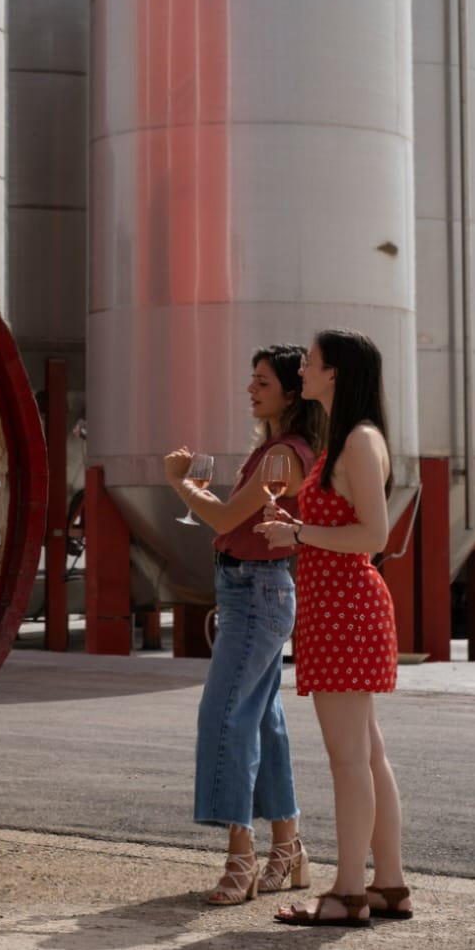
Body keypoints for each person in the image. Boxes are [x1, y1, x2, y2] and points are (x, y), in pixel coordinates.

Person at [260, 329, 412, 926]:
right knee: (367, 754)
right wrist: (298, 525)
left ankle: (349, 892)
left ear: (337, 375)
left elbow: (374, 537)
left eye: (313, 364)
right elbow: (349, 525)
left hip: (346, 608)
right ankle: (388, 884)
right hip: (337, 607)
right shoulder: (347, 438)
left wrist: (298, 533)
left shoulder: (357, 441)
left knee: (349, 757)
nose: (303, 371)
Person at [163, 344, 321, 907]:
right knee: (262, 722)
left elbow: (229, 518)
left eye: (261, 381)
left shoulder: (284, 455)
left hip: (257, 590)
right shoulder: (274, 450)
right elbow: (238, 518)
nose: (250, 389)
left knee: (225, 714)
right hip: (248, 588)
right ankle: (289, 847)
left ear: (289, 392)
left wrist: (180, 482)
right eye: (250, 379)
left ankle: (241, 860)